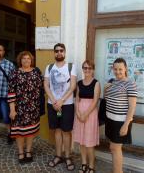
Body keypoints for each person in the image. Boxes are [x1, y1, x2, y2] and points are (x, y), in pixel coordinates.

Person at [44, 43, 77, 171]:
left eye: (61, 51)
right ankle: (58, 155)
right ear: (54, 53)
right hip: (53, 104)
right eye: (56, 51)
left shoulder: (71, 67)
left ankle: (68, 157)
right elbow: (46, 85)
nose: (59, 53)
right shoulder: (49, 67)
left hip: (67, 105)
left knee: (66, 131)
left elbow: (73, 86)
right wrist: (54, 101)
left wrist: (61, 101)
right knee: (57, 131)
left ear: (65, 52)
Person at [8, 51, 43, 164]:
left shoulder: (37, 73)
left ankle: (28, 151)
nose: (26, 60)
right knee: (19, 132)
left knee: (30, 131)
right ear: (20, 60)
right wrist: (12, 109)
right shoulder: (14, 73)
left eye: (28, 58)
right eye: (24, 58)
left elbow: (44, 86)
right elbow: (11, 92)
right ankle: (20, 152)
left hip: (33, 108)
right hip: (19, 108)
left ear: (31, 60)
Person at [104, 58, 137, 173]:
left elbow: (132, 106)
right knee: (112, 148)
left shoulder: (130, 83)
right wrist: (105, 89)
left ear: (126, 69)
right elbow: (107, 99)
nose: (118, 72)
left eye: (120, 69)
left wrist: (126, 124)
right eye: (115, 69)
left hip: (120, 122)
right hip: (110, 120)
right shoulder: (112, 81)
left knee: (115, 148)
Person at [73, 60, 100, 173]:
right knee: (82, 141)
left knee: (89, 143)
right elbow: (76, 99)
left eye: (89, 68)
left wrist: (85, 114)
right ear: (83, 69)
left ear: (93, 70)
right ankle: (84, 163)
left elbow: (95, 101)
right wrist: (78, 113)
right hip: (79, 113)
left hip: (90, 114)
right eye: (85, 68)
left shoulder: (96, 83)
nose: (87, 70)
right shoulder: (79, 83)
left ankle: (91, 166)